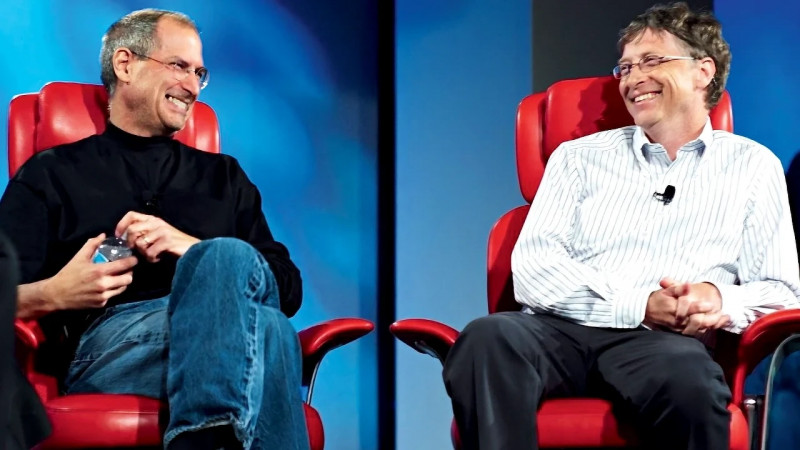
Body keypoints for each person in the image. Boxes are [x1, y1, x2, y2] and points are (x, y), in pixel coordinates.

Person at [443, 3, 800, 450]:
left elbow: (783, 292)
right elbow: (534, 270)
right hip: (557, 332)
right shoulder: (577, 158)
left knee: (688, 378)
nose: (632, 79)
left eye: (651, 61)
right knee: (487, 338)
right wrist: (641, 304)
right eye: (626, 68)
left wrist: (719, 299)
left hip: (664, 345)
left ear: (703, 71)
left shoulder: (753, 166)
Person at [0, 9, 309, 450]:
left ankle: (200, 439)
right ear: (126, 64)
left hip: (226, 335)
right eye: (179, 66)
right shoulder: (53, 173)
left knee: (249, 297)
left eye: (199, 73)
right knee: (269, 334)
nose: (192, 86)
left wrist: (192, 249)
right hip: (109, 350)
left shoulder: (225, 178)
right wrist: (56, 292)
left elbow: (288, 289)